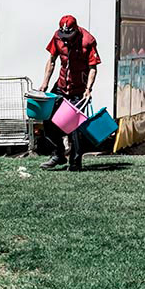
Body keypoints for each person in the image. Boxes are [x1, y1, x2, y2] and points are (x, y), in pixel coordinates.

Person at [39, 15, 101, 172]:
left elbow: (93, 68)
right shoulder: (57, 37)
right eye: (64, 36)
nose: (66, 39)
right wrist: (45, 83)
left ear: (76, 30)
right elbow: (52, 60)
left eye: (69, 36)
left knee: (75, 127)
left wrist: (88, 89)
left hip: (78, 89)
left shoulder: (88, 40)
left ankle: (75, 162)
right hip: (61, 86)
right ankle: (58, 154)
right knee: (47, 118)